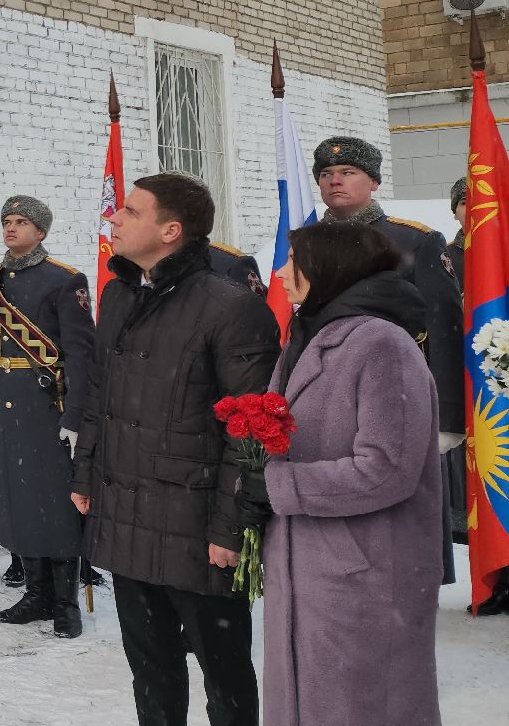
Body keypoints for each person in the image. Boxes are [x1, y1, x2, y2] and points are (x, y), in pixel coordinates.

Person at [69, 172, 279, 726]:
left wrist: (232, 527)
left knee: (225, 673)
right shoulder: (118, 294)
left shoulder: (231, 306)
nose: (114, 218)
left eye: (131, 212)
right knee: (151, 670)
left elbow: (251, 427)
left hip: (199, 525)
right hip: (126, 514)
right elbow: (99, 393)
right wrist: (84, 475)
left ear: (171, 230)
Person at [255, 222, 441, 726]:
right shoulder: (308, 335)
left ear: (329, 269)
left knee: (365, 708)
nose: (280, 272)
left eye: (293, 262)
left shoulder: (382, 344)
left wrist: (276, 487)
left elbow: (386, 470)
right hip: (309, 567)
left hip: (364, 572)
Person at [314, 136, 465, 584]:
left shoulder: (413, 241)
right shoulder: (306, 241)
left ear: (374, 182)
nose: (334, 181)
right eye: (325, 175)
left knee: (403, 526)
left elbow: (444, 326)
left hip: (397, 398)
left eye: (347, 173)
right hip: (327, 400)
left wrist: (448, 418)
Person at [0, 195, 93, 638]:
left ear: (40, 232)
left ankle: (65, 605)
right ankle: (36, 594)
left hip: (49, 407)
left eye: (21, 222)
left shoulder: (64, 280)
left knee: (55, 506)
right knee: (19, 502)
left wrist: (77, 416)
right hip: (6, 405)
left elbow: (80, 355)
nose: (11, 228)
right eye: (6, 221)